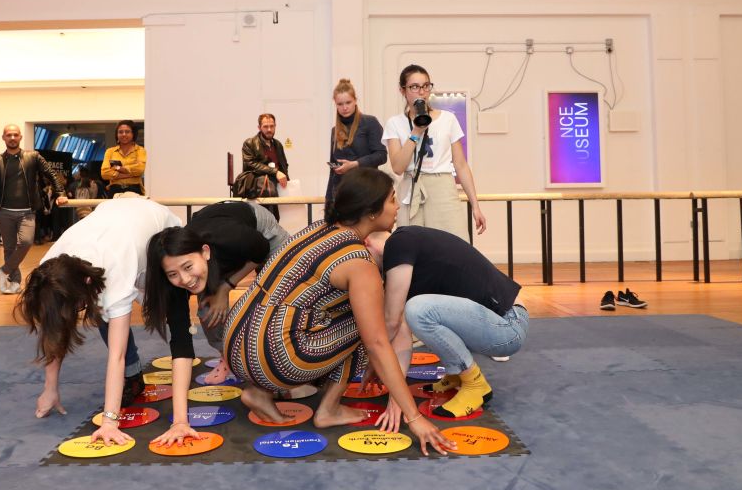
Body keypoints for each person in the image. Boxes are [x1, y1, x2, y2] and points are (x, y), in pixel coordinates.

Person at [223, 168, 456, 455]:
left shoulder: (317, 228)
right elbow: (378, 342)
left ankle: (260, 392)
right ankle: (329, 409)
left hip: (235, 342)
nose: (397, 207)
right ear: (371, 212)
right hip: (274, 354)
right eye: (393, 200)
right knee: (369, 319)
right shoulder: (358, 261)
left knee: (340, 311)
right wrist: (415, 417)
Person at [16, 197, 183, 444]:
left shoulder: (116, 268)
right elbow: (55, 326)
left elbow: (117, 354)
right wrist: (50, 388)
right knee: (104, 309)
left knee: (173, 304)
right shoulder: (49, 270)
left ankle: (220, 352)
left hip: (157, 226)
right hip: (114, 220)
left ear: (85, 283)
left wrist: (110, 422)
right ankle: (133, 375)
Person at [363, 226, 528, 421]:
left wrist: (376, 364)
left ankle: (475, 384)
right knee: (418, 311)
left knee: (418, 310)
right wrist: (395, 392)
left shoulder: (398, 244)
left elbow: (392, 323)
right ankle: (456, 374)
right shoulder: (408, 247)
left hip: (508, 326)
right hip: (500, 322)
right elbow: (400, 331)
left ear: (366, 244)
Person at [142, 200, 289, 386]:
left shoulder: (233, 238)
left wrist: (226, 287)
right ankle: (228, 359)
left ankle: (285, 360)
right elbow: (181, 340)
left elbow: (261, 251)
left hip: (259, 233)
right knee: (209, 308)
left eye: (188, 267)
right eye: (173, 274)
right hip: (217, 244)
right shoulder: (177, 269)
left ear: (205, 252)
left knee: (285, 288)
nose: (185, 279)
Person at [382, 64, 486, 241]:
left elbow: (460, 164)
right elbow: (398, 167)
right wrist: (415, 132)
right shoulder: (395, 123)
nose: (421, 92)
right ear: (402, 91)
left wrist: (475, 206)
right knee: (412, 247)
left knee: (456, 244)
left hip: (442, 187)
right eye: (414, 87)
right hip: (411, 188)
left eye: (426, 86)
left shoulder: (448, 119)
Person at [0, 124, 68, 294]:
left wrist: (60, 192)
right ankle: (15, 282)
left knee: (26, 242)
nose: (12, 138)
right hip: (4, 212)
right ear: (3, 138)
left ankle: (3, 271)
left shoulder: (33, 157)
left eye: (15, 135)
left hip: (27, 211)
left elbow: (51, 174)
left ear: (20, 137)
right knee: (9, 248)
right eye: (9, 135)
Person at [325, 78, 387, 209]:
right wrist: (329, 201)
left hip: (367, 190)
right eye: (340, 104)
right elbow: (332, 170)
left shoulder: (370, 122)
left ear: (355, 101)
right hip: (342, 193)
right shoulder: (334, 131)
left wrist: (355, 164)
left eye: (348, 102)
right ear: (335, 104)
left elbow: (381, 155)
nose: (345, 107)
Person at [238, 114, 289, 220]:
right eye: (265, 126)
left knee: (279, 218)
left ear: (275, 126)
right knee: (264, 219)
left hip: (276, 186)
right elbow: (250, 164)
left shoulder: (278, 144)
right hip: (257, 185)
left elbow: (284, 165)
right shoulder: (250, 143)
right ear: (259, 127)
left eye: (272, 126)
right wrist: (275, 172)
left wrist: (285, 178)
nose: (269, 129)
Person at [100, 120, 147, 197]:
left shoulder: (140, 150)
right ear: (117, 134)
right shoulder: (110, 151)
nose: (124, 134)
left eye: (127, 132)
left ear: (133, 134)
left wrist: (117, 168)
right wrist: (130, 174)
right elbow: (104, 173)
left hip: (134, 189)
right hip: (114, 191)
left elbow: (139, 170)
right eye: (120, 132)